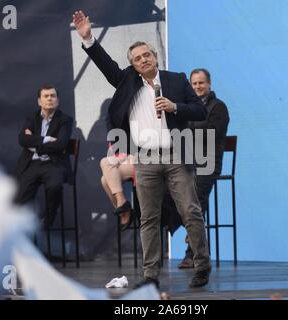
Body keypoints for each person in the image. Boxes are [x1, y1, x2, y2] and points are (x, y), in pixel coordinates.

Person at [73, 10, 212, 288]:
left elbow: (200, 111)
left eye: (147, 55)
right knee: (148, 218)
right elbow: (106, 65)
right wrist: (88, 39)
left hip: (175, 155)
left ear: (155, 57)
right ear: (134, 66)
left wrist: (175, 107)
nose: (143, 60)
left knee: (190, 211)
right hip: (144, 158)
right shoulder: (127, 81)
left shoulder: (176, 80)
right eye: (137, 59)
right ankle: (150, 275)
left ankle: (202, 264)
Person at [177, 68, 230, 269]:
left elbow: (211, 134)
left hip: (208, 163)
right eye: (194, 83)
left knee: (197, 198)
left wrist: (187, 133)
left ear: (209, 84)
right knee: (171, 192)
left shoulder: (218, 107)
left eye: (201, 83)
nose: (198, 87)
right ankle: (193, 239)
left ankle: (192, 252)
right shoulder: (188, 107)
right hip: (188, 162)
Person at [15, 84, 73, 228]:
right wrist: (46, 139)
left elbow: (61, 144)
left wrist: (34, 143)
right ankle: (22, 231)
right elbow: (22, 139)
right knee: (20, 197)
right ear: (39, 101)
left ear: (57, 100)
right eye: (46, 96)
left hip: (54, 164)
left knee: (54, 187)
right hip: (32, 164)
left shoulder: (65, 120)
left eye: (52, 96)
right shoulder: (31, 118)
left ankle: (49, 216)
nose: (49, 99)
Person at [100, 152, 135, 230]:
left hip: (142, 157)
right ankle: (122, 204)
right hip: (124, 156)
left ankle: (123, 208)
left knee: (105, 178)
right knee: (106, 177)